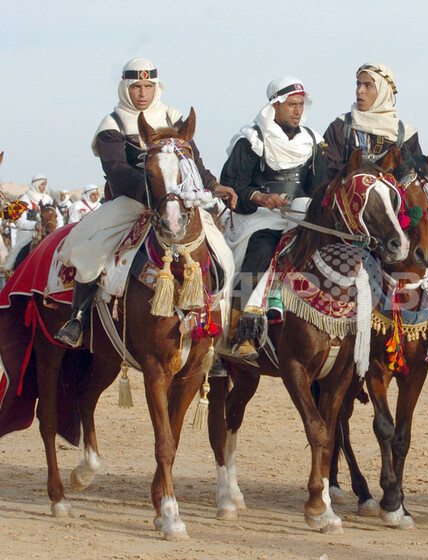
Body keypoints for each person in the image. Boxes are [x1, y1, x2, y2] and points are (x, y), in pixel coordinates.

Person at [54, 58, 237, 348]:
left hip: (178, 203)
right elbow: (116, 170)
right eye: (136, 86)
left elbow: (194, 162)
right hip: (130, 201)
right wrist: (152, 190)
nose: (143, 93)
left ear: (156, 87)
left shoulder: (173, 117)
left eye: (148, 86)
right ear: (125, 88)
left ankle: (218, 322)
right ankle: (78, 317)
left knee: (221, 249)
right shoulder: (112, 124)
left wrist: (213, 185)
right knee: (90, 246)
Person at [220, 76, 327, 360]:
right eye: (292, 104)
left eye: (301, 104)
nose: (297, 110)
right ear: (275, 105)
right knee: (262, 250)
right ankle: (237, 332)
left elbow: (320, 187)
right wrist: (260, 197)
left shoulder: (312, 141)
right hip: (259, 216)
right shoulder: (252, 140)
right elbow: (232, 183)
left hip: (300, 217)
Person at [322, 62, 421, 179]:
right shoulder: (341, 127)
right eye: (358, 84)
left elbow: (415, 179)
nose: (359, 91)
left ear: (383, 91)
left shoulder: (405, 135)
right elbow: (325, 171)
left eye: (368, 85)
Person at [7, 173, 64, 268]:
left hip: (49, 233)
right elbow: (20, 222)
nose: (44, 187)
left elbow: (59, 218)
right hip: (28, 234)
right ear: (36, 184)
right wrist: (35, 225)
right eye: (42, 184)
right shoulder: (25, 200)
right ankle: (16, 271)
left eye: (45, 184)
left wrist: (58, 230)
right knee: (20, 255)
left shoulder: (48, 199)